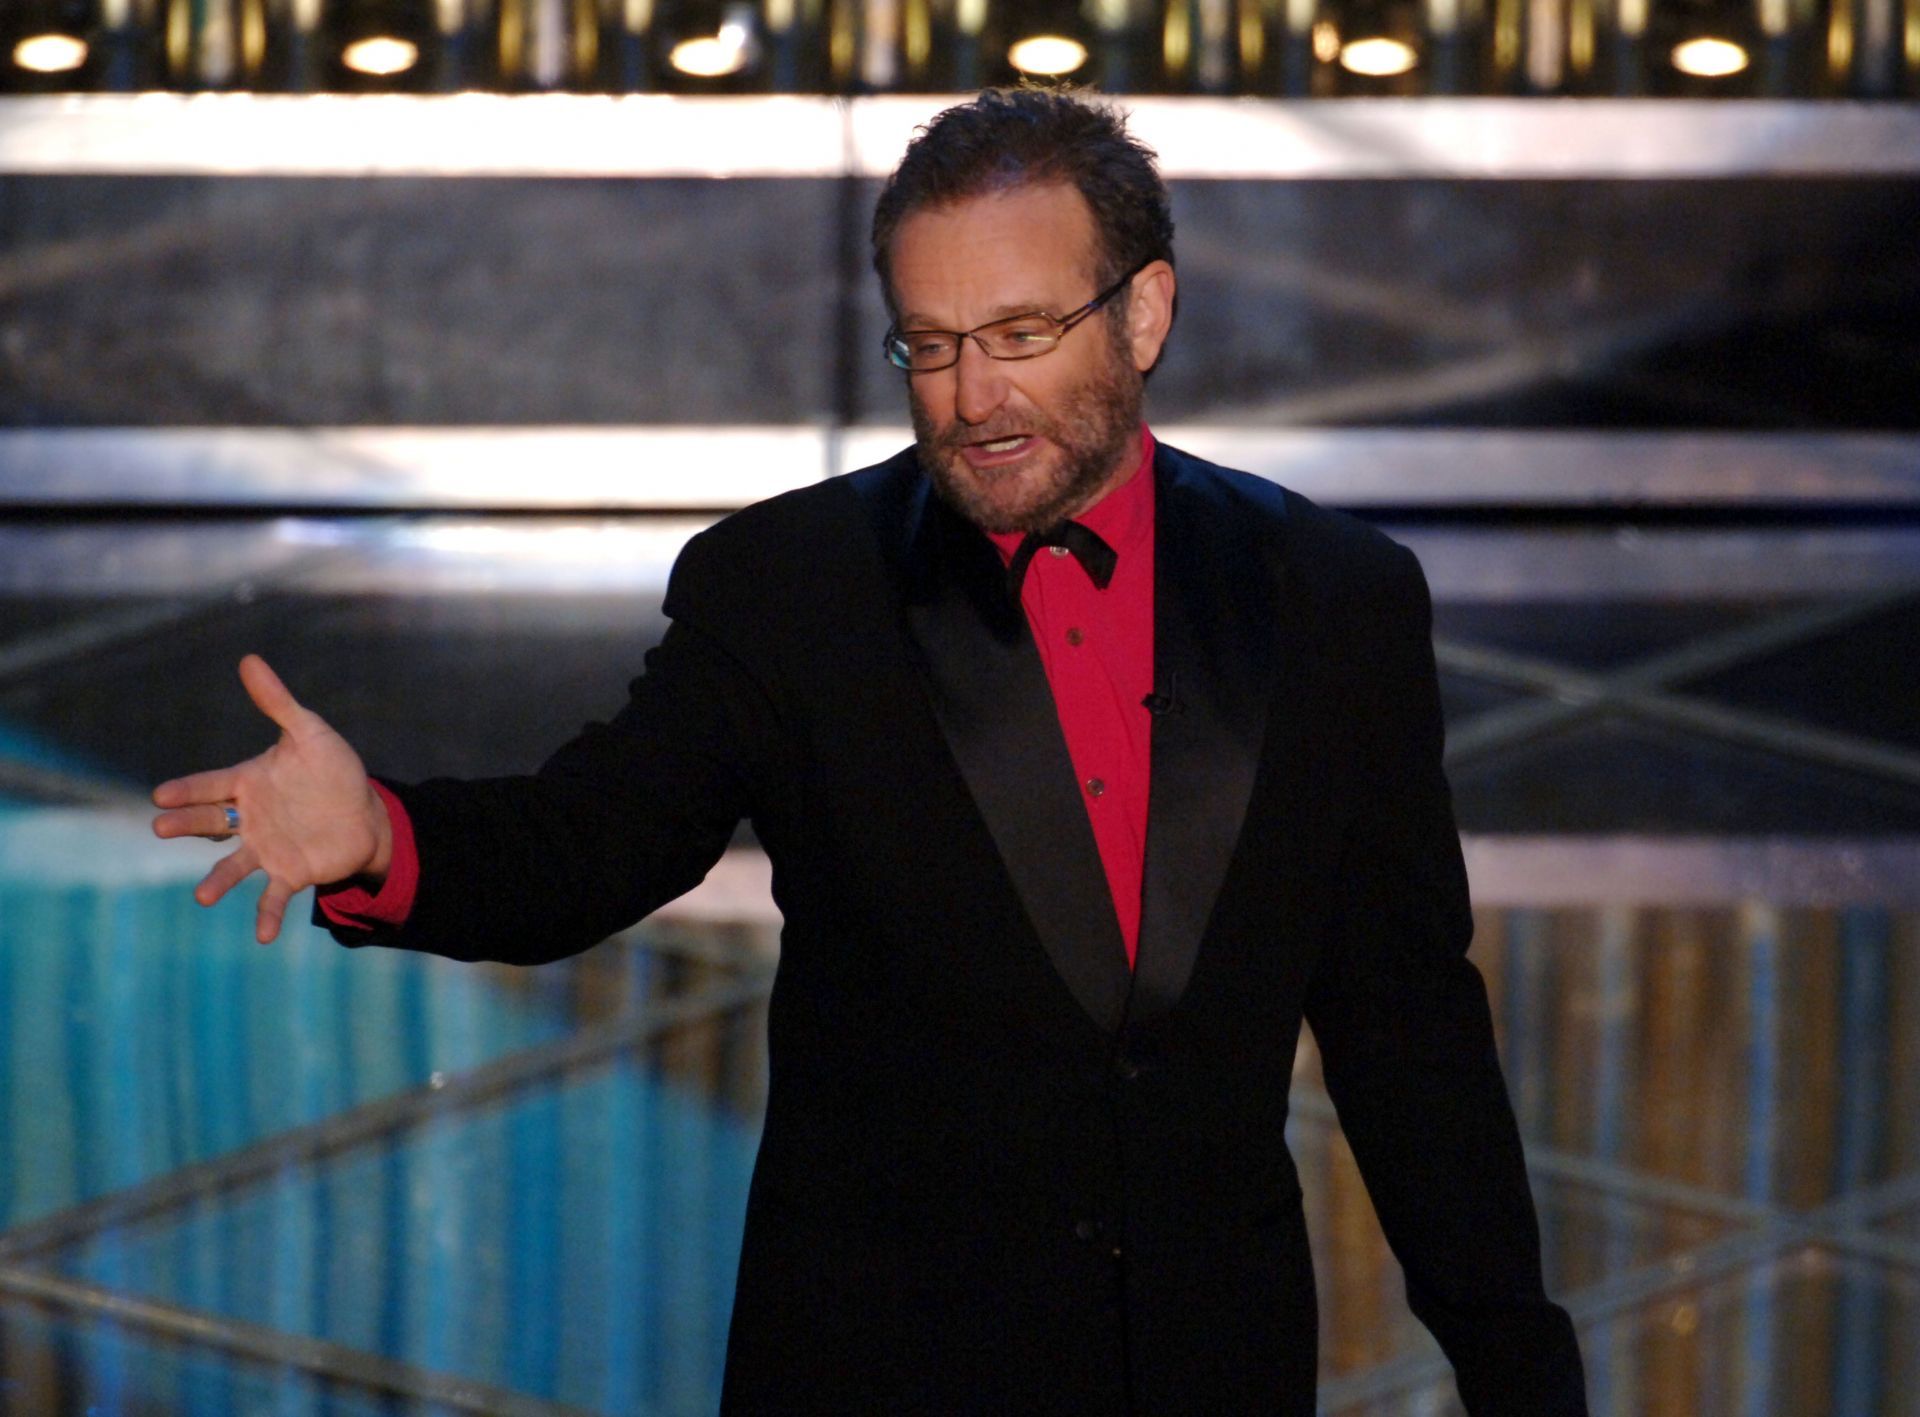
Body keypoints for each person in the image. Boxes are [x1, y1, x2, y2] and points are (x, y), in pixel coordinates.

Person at [154, 87, 1587, 1415]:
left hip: (1212, 1372)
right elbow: (587, 841)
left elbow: (1410, 1031)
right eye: (934, 344)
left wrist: (1522, 1373)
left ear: (1144, 313)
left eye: (1022, 334)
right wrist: (383, 839)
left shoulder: (1334, 598)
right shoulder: (792, 588)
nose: (973, 398)